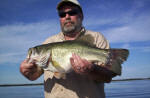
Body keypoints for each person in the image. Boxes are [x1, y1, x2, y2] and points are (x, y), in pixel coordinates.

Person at [20, 0, 118, 98]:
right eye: (62, 14)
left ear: (81, 16)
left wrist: (91, 69)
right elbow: (34, 76)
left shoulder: (96, 38)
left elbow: (109, 76)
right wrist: (26, 71)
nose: (67, 17)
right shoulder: (49, 41)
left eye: (72, 12)